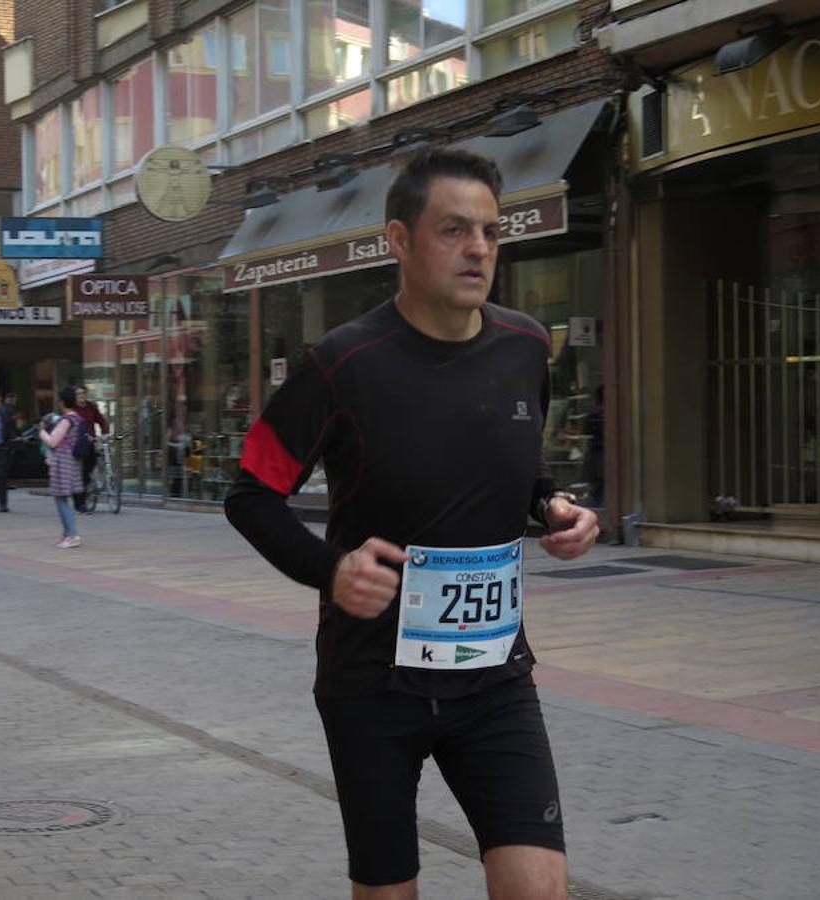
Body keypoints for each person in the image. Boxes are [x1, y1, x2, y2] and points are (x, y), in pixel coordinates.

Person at [224, 146, 599, 900]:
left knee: (540, 887)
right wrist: (331, 570)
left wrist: (552, 508)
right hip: (374, 683)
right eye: (454, 230)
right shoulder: (342, 362)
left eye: (492, 232)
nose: (479, 250)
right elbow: (249, 495)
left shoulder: (526, 346)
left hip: (495, 678)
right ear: (399, 240)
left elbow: (521, 467)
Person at [39, 386, 83, 548]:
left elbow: (52, 441)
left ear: (62, 402)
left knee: (61, 499)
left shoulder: (66, 420)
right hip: (72, 460)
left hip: (62, 461)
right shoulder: (77, 418)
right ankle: (67, 534)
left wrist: (41, 432)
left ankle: (72, 534)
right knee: (62, 498)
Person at [71, 384, 109, 512]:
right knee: (79, 474)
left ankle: (85, 494)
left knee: (87, 472)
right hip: (76, 445)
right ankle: (79, 503)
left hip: (90, 443)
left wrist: (105, 432)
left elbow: (101, 420)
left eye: (83, 393)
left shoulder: (91, 407)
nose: (82, 396)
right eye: (78, 393)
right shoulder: (72, 409)